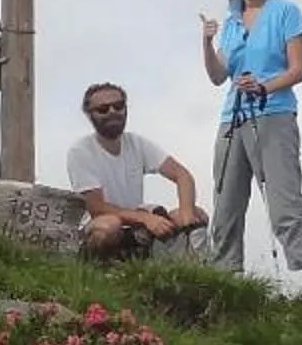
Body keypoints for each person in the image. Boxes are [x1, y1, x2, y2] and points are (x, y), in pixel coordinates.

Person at [200, 0, 302, 297]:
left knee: (284, 201)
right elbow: (218, 76)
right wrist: (206, 43)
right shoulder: (230, 23)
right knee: (226, 202)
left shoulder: (286, 12)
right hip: (233, 116)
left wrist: (263, 86)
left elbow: (297, 70)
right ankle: (226, 286)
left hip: (274, 114)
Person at [65, 81, 205, 259]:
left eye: (118, 106)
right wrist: (145, 219)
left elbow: (181, 174)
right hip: (100, 222)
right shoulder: (81, 151)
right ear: (89, 115)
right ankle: (96, 269)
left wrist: (187, 212)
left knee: (197, 214)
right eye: (103, 109)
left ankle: (196, 273)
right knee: (109, 227)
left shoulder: (136, 143)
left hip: (137, 220)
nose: (112, 112)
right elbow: (97, 208)